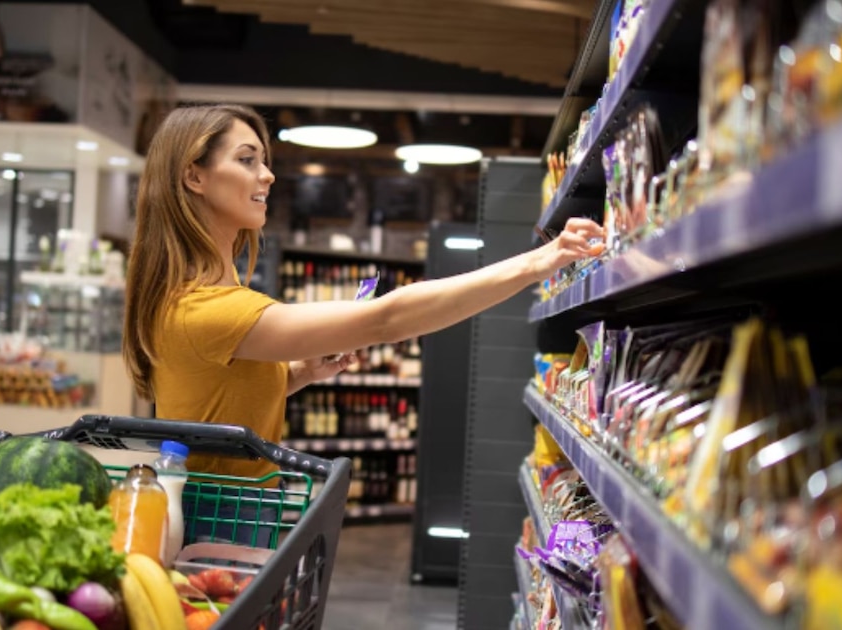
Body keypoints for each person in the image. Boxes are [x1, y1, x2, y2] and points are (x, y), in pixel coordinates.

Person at [122, 104, 602, 543]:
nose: (267, 175)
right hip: (211, 523)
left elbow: (213, 404)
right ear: (194, 176)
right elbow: (385, 319)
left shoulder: (209, 299)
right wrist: (539, 261)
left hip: (230, 511)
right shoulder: (201, 308)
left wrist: (299, 375)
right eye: (247, 160)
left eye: (264, 160)